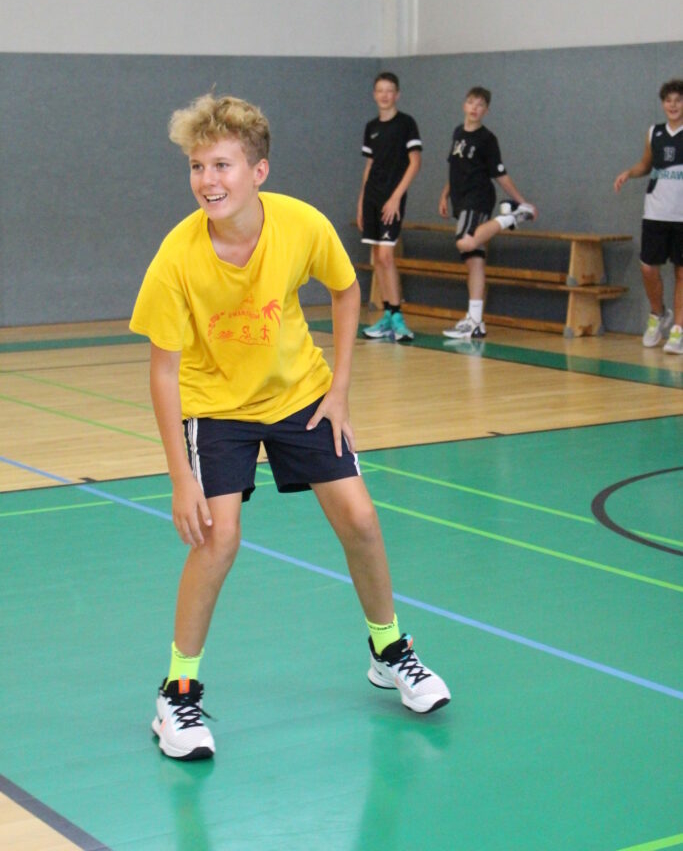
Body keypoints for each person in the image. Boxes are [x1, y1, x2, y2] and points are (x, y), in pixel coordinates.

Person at [130, 93, 450, 761]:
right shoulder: (177, 256)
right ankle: (176, 693)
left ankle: (389, 649)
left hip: (300, 394)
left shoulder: (301, 225)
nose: (207, 180)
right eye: (196, 166)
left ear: (259, 171)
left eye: (221, 165)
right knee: (217, 538)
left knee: (360, 519)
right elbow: (163, 372)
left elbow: (345, 289)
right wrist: (181, 478)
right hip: (217, 405)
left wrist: (339, 390)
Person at [438, 87, 537, 340]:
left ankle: (510, 217)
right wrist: (445, 194)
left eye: (480, 104)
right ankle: (475, 321)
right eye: (471, 102)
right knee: (474, 261)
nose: (474, 108)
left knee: (465, 242)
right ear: (464, 105)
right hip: (461, 199)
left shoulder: (487, 139)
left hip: (478, 197)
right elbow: (455, 168)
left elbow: (500, 175)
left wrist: (522, 202)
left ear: (486, 111)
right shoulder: (458, 133)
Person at [614, 79, 683, 353]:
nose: (673, 105)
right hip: (656, 212)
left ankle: (678, 331)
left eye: (678, 100)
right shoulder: (654, 132)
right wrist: (629, 173)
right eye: (668, 100)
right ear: (663, 104)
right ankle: (658, 314)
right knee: (648, 268)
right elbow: (646, 164)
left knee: (681, 272)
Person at [357, 72, 422, 342]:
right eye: (380, 90)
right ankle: (386, 316)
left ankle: (397, 316)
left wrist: (396, 197)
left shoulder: (406, 124)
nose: (384, 95)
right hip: (372, 197)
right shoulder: (371, 127)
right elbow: (369, 165)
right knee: (377, 256)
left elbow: (415, 162)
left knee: (386, 255)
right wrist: (361, 201)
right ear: (375, 94)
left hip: (391, 199)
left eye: (389, 90)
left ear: (397, 94)